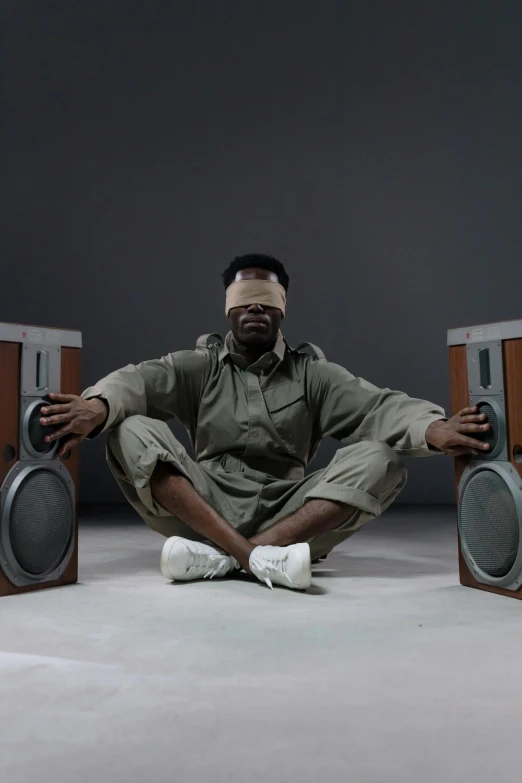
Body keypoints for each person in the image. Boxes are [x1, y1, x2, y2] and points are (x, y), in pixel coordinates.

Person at [39, 254, 491, 591]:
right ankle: (256, 559)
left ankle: (221, 559)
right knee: (127, 426)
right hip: (203, 503)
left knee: (382, 458)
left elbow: (380, 406)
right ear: (228, 309)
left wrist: (434, 428)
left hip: (290, 511)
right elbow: (137, 381)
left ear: (282, 309)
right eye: (244, 300)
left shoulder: (313, 374)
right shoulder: (200, 367)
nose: (255, 309)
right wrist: (97, 406)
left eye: (266, 300)